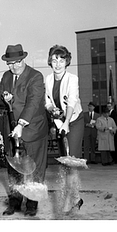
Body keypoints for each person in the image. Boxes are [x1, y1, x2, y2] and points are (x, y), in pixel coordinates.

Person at [1, 44, 48, 217]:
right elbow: (1, 98)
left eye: (17, 62)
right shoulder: (6, 76)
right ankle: (14, 202)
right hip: (12, 130)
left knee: (35, 169)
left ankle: (32, 205)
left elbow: (34, 102)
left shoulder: (35, 76)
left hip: (33, 129)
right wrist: (5, 99)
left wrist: (21, 124)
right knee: (14, 168)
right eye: (10, 63)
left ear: (23, 59)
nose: (14, 66)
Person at [45, 44, 84, 213]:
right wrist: (51, 110)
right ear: (50, 61)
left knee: (71, 161)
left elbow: (72, 101)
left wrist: (67, 121)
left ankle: (70, 200)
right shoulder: (48, 79)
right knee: (65, 160)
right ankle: (76, 198)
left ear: (67, 61)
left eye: (61, 60)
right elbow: (47, 101)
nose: (58, 63)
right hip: (60, 122)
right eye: (54, 60)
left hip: (74, 121)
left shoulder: (72, 78)